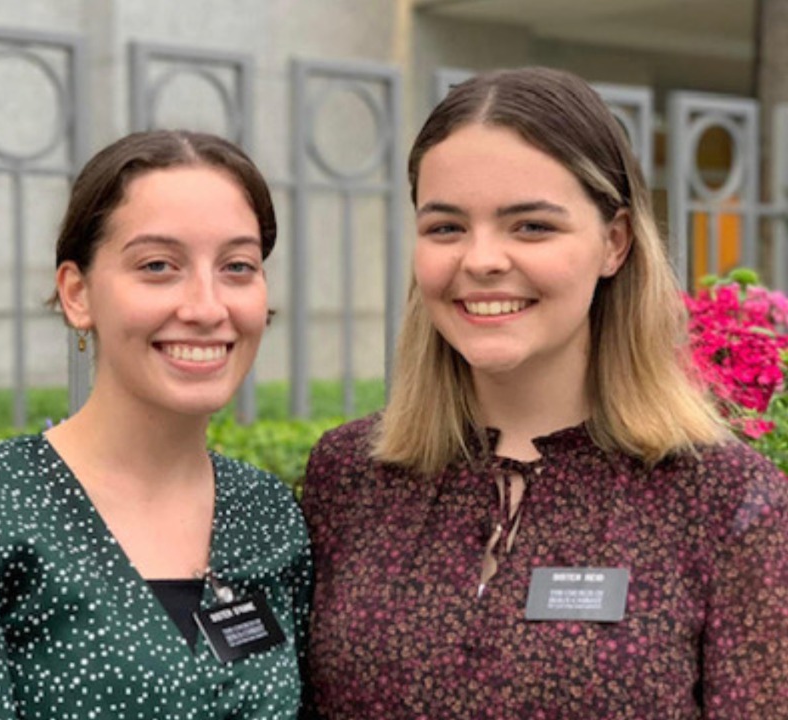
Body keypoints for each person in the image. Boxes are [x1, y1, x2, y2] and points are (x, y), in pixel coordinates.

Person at [300, 67, 788, 719]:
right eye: (445, 227)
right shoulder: (351, 476)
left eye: (530, 227)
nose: (481, 260)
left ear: (614, 243)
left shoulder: (729, 504)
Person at [0, 130, 312, 718]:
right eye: (158, 265)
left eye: (238, 266)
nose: (207, 307)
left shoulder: (267, 515)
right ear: (77, 293)